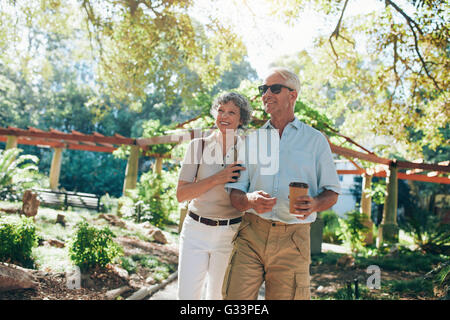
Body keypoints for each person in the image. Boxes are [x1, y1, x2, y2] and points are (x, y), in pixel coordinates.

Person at [222, 67, 341, 300]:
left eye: (274, 88)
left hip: (294, 240)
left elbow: (332, 191)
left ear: (293, 95)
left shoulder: (315, 141)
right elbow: (235, 194)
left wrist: (314, 204)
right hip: (251, 235)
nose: (266, 94)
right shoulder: (253, 140)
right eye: (263, 89)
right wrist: (249, 200)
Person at [176, 92, 252, 300]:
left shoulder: (249, 150)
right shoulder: (197, 146)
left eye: (231, 112)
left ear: (241, 119)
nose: (224, 116)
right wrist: (218, 178)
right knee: (187, 297)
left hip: (230, 233)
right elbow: (181, 194)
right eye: (220, 111)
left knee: (219, 297)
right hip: (195, 231)